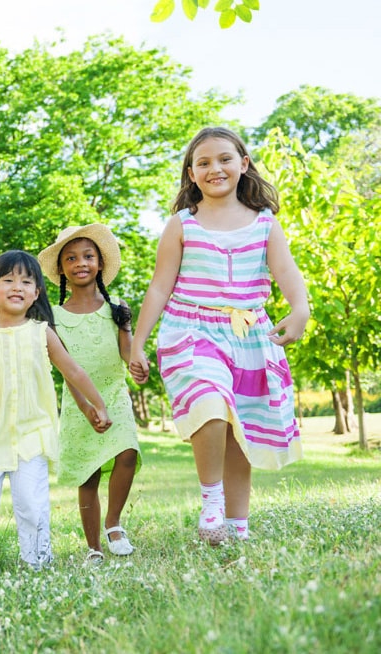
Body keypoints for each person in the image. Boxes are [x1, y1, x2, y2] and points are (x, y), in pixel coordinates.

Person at [129, 126, 309, 545]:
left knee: (238, 432)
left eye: (225, 159)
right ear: (191, 174)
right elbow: (159, 287)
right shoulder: (182, 225)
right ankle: (212, 501)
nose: (215, 169)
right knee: (209, 404)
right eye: (203, 163)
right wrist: (138, 342)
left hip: (249, 336)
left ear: (243, 164)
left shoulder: (265, 223)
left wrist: (300, 309)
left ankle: (237, 526)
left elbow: (286, 271)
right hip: (191, 331)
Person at [0, 250, 111, 574]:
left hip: (32, 433)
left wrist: (97, 404)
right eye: (8, 280)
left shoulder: (42, 332)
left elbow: (73, 371)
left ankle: (38, 559)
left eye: (26, 281)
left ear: (36, 292)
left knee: (32, 503)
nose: (17, 286)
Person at [39, 224, 142, 565]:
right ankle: (94, 547)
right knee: (89, 472)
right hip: (78, 402)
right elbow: (66, 369)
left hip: (114, 393)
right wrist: (85, 406)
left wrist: (137, 362)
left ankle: (114, 523)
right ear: (61, 269)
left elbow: (126, 350)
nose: (80, 263)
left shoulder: (117, 308)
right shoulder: (53, 317)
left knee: (127, 453)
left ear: (100, 263)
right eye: (70, 258)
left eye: (87, 256)